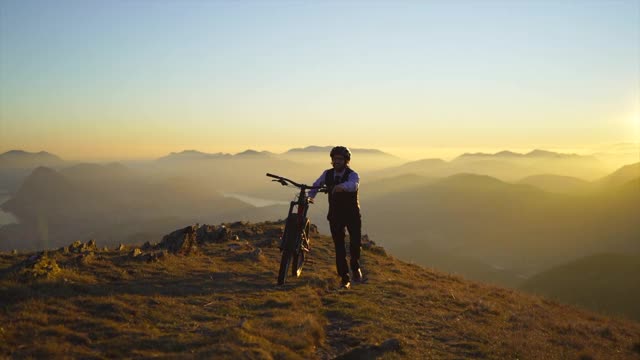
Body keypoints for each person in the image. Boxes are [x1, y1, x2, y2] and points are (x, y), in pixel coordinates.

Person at [308, 146, 362, 289]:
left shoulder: (353, 175)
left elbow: (354, 186)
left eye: (340, 159)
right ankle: (344, 277)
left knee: (355, 243)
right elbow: (316, 185)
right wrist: (310, 197)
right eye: (334, 159)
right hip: (335, 215)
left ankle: (355, 266)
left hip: (352, 215)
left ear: (346, 161)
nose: (337, 161)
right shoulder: (327, 174)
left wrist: (341, 187)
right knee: (339, 247)